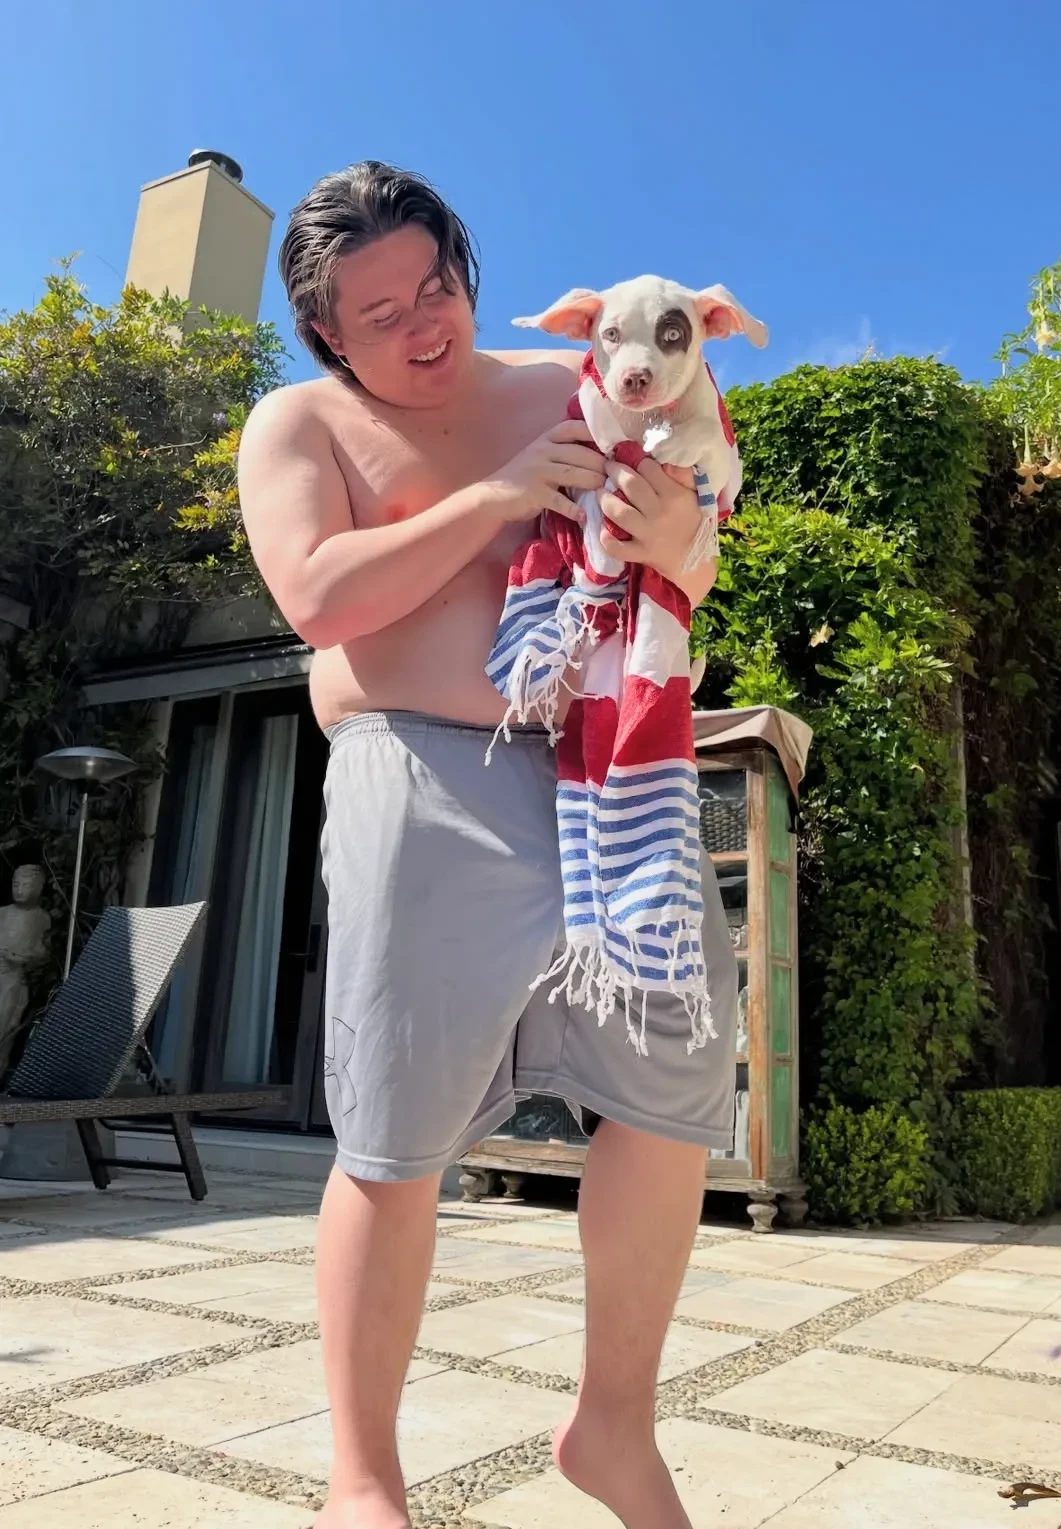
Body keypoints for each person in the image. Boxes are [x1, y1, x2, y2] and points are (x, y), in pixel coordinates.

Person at [238, 160, 738, 1529]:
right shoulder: (301, 425)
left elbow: (689, 541)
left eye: (438, 286)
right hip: (420, 772)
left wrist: (685, 541)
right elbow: (317, 598)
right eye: (381, 312)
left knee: (673, 1083)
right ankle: (363, 1479)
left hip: (604, 768)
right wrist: (498, 497)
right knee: (396, 1126)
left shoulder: (571, 380)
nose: (425, 324)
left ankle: (614, 1428)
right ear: (327, 332)